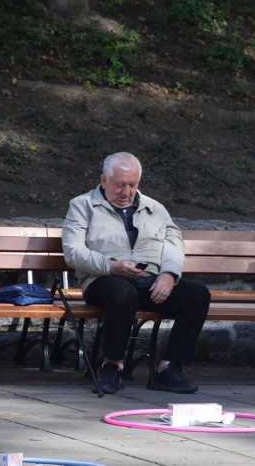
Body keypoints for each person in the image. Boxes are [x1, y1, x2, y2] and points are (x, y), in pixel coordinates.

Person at [62, 152, 211, 395]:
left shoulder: (155, 208)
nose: (126, 192)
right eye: (120, 185)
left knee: (197, 295)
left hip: (148, 279)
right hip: (103, 279)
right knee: (123, 292)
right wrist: (112, 266)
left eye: (132, 185)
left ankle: (169, 368)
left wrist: (169, 275)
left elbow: (174, 244)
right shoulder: (82, 206)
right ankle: (112, 366)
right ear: (103, 180)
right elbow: (74, 252)